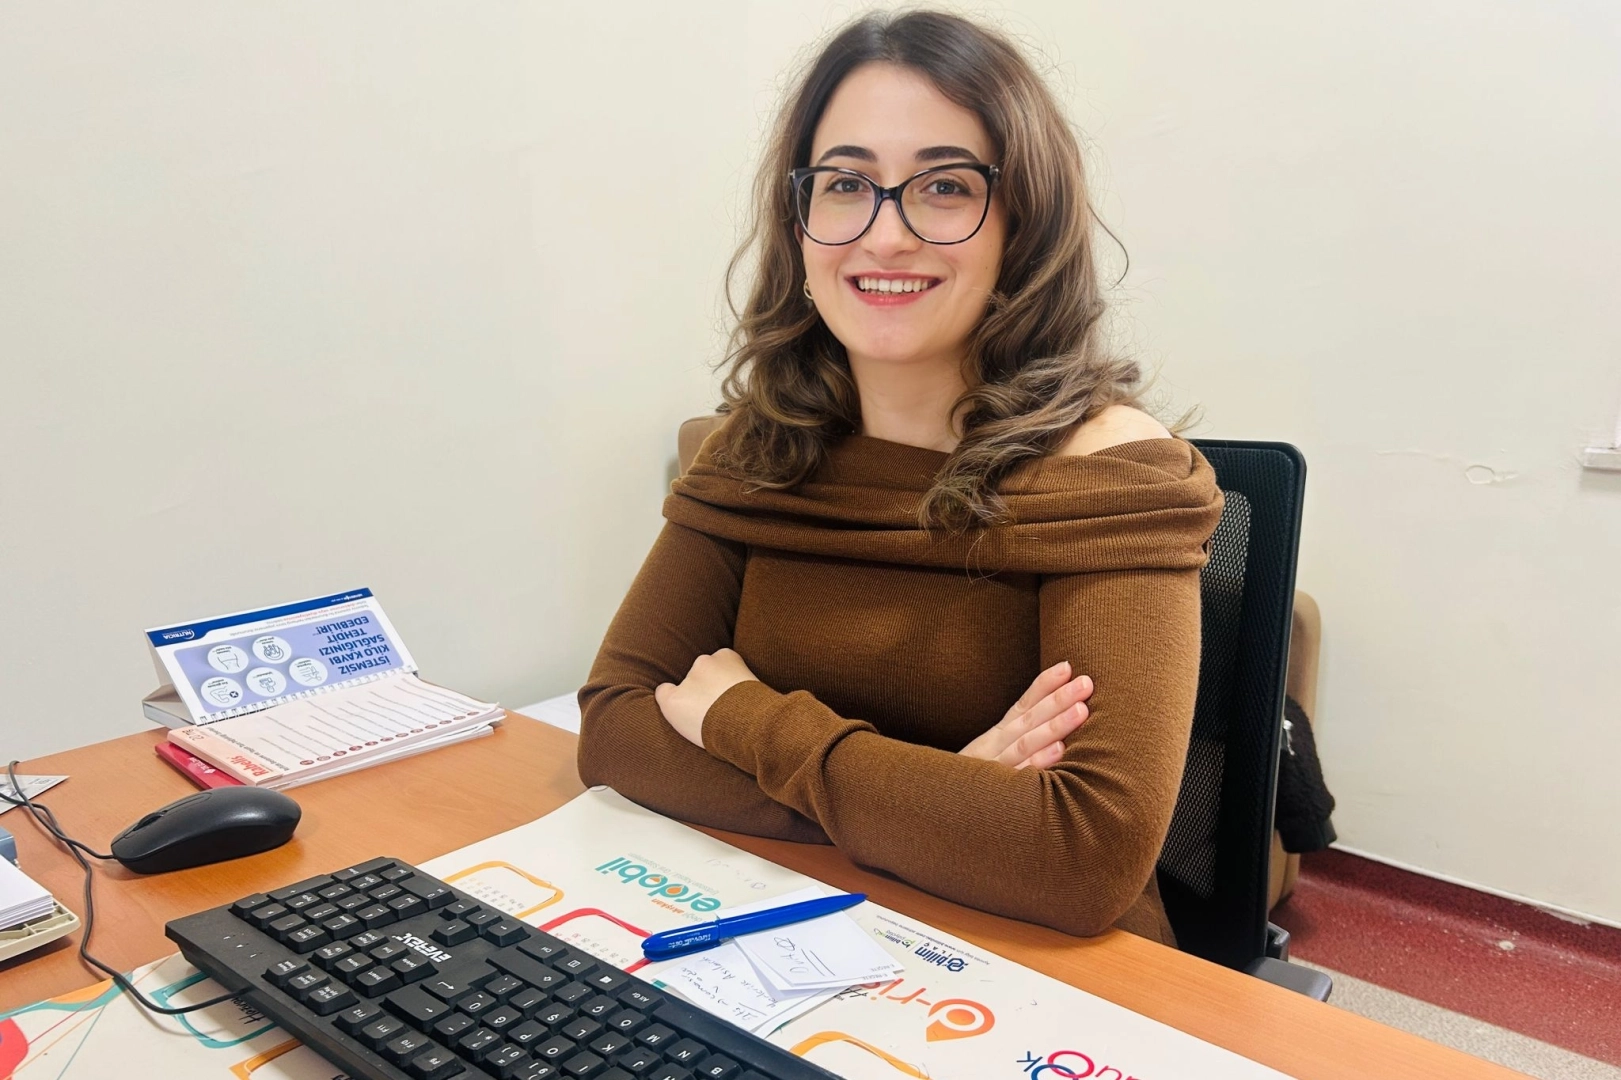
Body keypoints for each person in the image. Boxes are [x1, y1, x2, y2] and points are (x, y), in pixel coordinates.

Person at [578, 10, 1222, 944]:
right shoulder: (754, 451)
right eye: (845, 184)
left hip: (1032, 965)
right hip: (778, 916)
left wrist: (744, 722)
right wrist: (948, 794)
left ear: (1023, 224)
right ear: (798, 222)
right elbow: (615, 731)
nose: (884, 236)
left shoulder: (1110, 474)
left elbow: (1082, 856)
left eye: (945, 186)